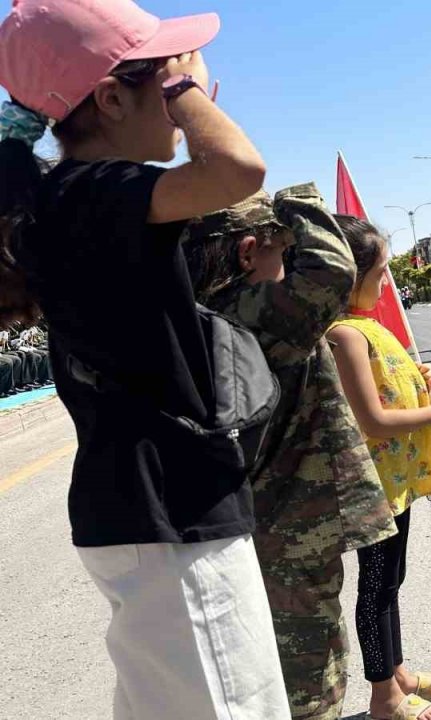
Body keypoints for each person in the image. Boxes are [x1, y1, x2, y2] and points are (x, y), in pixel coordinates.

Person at [0, 1, 291, 716]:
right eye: (161, 75)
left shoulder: (67, 199)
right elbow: (238, 168)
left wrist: (168, 81)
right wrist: (184, 90)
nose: (187, 89)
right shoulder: (92, 192)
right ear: (110, 97)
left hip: (147, 511)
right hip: (170, 511)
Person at [185, 186, 400, 720]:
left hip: (264, 519)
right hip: (289, 524)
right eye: (280, 250)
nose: (287, 264)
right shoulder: (250, 312)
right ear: (247, 252)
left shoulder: (208, 311)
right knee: (308, 674)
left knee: (281, 660)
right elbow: (331, 268)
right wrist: (297, 200)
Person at [328, 217, 431, 720]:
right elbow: (373, 419)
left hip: (395, 484)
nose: (386, 284)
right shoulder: (343, 334)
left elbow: (388, 382)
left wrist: (424, 376)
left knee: (391, 580)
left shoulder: (366, 326)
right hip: (372, 487)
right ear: (347, 274)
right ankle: (384, 697)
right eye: (380, 272)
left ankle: (398, 672)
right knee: (376, 587)